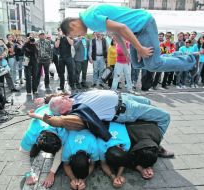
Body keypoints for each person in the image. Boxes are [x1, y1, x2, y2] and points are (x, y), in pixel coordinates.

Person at [59, 4, 197, 74]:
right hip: (136, 31)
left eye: (75, 34)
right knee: (136, 64)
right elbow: (116, 33)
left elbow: (123, 28)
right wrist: (126, 52)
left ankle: (191, 60)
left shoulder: (90, 19)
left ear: (73, 24)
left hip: (144, 24)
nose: (79, 36)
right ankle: (178, 56)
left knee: (153, 65)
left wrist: (140, 48)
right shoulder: (89, 18)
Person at [30, 90, 173, 157]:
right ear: (62, 110)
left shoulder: (71, 98)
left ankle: (147, 137)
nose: (64, 97)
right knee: (164, 117)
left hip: (124, 96)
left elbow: (56, 96)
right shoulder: (76, 114)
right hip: (127, 109)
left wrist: (44, 99)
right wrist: (42, 116)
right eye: (62, 99)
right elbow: (58, 121)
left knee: (148, 102)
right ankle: (156, 145)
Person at [20, 104, 68, 188]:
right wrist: (28, 175)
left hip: (51, 109)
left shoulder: (62, 131)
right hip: (41, 113)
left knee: (60, 159)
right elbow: (23, 153)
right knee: (31, 154)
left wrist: (52, 173)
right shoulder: (30, 135)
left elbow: (59, 153)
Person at [98, 122, 131, 188]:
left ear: (122, 149)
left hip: (118, 121)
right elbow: (103, 163)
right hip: (104, 123)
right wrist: (112, 176)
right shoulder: (101, 145)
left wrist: (118, 175)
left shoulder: (126, 143)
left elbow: (123, 162)